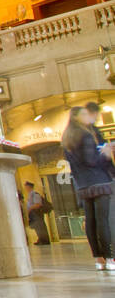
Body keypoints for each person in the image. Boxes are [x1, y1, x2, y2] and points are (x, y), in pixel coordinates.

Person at [61, 103, 115, 272]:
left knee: (90, 221)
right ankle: (110, 257)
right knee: (103, 221)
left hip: (83, 185)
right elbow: (91, 161)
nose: (88, 117)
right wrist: (106, 154)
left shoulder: (67, 137)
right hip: (98, 183)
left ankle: (99, 260)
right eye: (84, 114)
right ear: (77, 117)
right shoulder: (85, 135)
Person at [24, 180, 50, 246]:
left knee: (40, 226)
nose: (25, 188)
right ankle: (41, 239)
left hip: (37, 213)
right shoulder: (30, 195)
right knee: (37, 227)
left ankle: (44, 240)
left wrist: (30, 209)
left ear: (29, 187)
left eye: (26, 187)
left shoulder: (35, 194)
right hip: (33, 213)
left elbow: (38, 204)